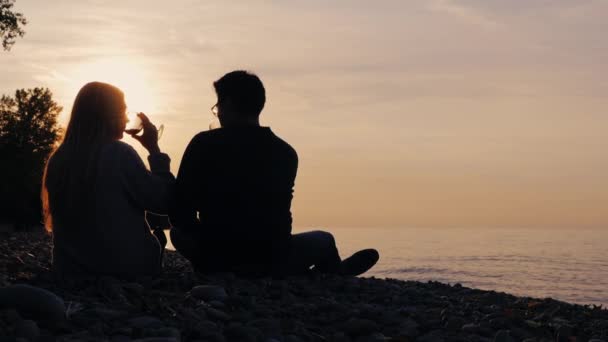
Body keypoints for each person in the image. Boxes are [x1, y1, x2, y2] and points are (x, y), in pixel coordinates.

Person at [170, 70, 379, 276]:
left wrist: (210, 243)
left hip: (217, 256)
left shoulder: (204, 143)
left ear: (230, 104)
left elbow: (181, 210)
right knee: (325, 239)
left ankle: (230, 269)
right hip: (273, 257)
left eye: (217, 107)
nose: (218, 113)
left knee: (178, 234)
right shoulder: (286, 152)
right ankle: (333, 273)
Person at [42, 82, 174, 277]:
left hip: (70, 270)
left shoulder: (59, 158)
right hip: (125, 268)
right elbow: (163, 200)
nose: (127, 118)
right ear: (106, 116)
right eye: (122, 111)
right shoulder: (120, 154)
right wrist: (154, 149)